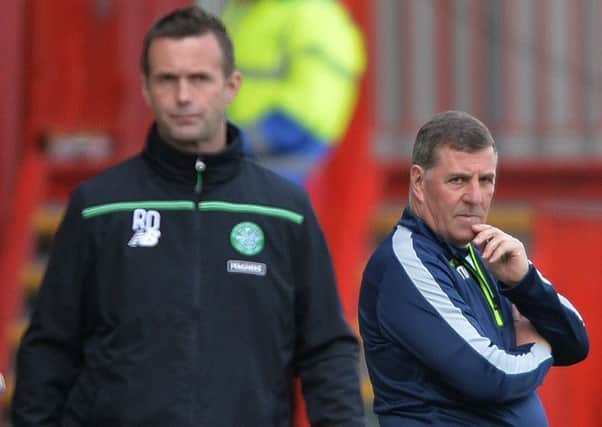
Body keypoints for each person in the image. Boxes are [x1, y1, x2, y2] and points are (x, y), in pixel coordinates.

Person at [11, 6, 364, 426]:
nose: (183, 96)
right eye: (167, 79)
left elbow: (327, 350)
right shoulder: (98, 207)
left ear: (231, 86)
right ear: (145, 88)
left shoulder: (285, 212)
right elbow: (49, 350)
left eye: (199, 79)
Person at [358, 110, 589, 426]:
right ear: (418, 181)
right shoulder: (406, 263)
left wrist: (525, 283)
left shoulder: (483, 251)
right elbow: (491, 375)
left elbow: (576, 342)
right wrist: (538, 346)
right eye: (458, 180)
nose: (476, 197)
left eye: (486, 180)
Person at [221, 0, 366, 185]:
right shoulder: (241, 10)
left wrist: (232, 140)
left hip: (279, 168)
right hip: (240, 161)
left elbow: (309, 112)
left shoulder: (312, 14)